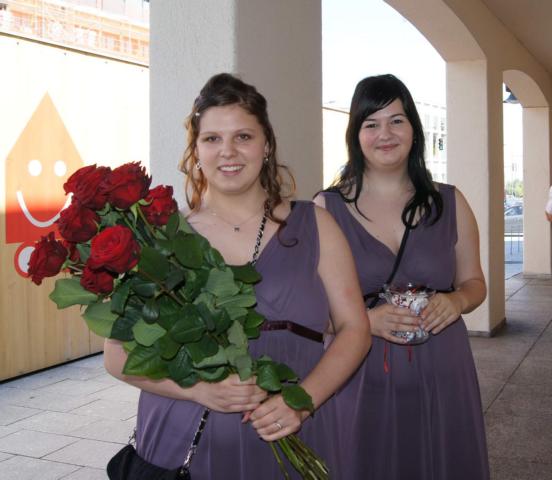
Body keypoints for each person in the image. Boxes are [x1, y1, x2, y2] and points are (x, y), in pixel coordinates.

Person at [104, 73, 371, 479]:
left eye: (243, 136)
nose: (227, 151)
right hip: (181, 444)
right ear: (196, 149)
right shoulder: (162, 237)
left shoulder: (315, 225)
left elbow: (355, 329)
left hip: (292, 432)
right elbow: (116, 355)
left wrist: (302, 401)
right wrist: (198, 390)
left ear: (266, 145)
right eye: (212, 138)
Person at [315, 74, 490, 479]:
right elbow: (309, 309)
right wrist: (364, 321)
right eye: (371, 123)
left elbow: (475, 283)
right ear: (355, 134)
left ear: (414, 128)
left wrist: (456, 300)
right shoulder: (326, 208)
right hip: (360, 372)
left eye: (396, 120)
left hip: (444, 370)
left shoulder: (450, 201)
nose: (385, 134)